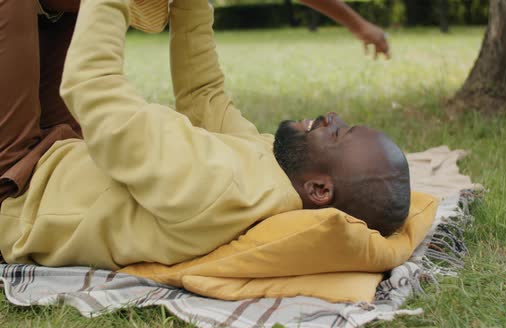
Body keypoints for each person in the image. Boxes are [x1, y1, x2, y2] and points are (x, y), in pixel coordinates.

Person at [0, 0, 409, 270]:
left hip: (19, 181)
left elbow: (93, 87)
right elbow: (204, 96)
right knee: (59, 7)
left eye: (340, 134)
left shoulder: (215, 187)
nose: (333, 116)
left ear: (319, 189)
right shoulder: (272, 168)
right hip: (58, 151)